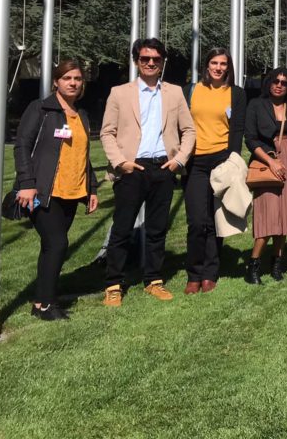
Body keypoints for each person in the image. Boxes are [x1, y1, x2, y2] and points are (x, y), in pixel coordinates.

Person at [100, 38, 195, 307]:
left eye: (155, 59)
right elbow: (107, 132)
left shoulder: (175, 93)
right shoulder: (119, 93)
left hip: (163, 168)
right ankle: (113, 284)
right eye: (145, 59)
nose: (151, 63)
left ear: (163, 62)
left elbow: (188, 130)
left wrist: (179, 160)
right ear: (136, 61)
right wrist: (121, 162)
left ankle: (153, 280)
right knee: (122, 228)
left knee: (157, 229)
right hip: (132, 168)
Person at [13, 59, 99, 320]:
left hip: (72, 192)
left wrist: (91, 188)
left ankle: (42, 301)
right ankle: (46, 304)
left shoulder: (81, 114)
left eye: (77, 79)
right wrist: (27, 184)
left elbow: (84, 155)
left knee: (52, 247)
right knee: (58, 244)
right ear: (56, 82)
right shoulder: (40, 109)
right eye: (67, 78)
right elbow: (22, 146)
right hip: (43, 192)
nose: (73, 83)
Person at [183, 47, 246, 294]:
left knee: (215, 219)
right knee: (197, 221)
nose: (219, 68)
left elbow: (237, 129)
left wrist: (232, 161)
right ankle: (193, 273)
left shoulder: (236, 94)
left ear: (228, 67)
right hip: (195, 162)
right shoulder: (190, 90)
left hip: (221, 161)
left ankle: (210, 273)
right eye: (214, 63)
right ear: (206, 66)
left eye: (223, 64)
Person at [243, 68, 287, 284]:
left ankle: (277, 263)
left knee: (285, 215)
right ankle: (253, 265)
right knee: (267, 215)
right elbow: (250, 138)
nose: (279, 85)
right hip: (265, 160)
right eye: (276, 81)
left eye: (285, 82)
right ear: (269, 82)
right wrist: (271, 160)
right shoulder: (256, 105)